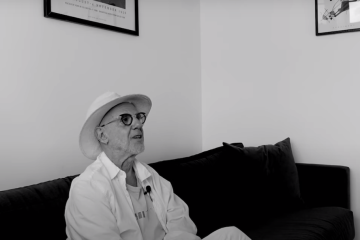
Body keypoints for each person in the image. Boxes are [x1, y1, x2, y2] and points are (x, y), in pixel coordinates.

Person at [65, 91, 251, 240]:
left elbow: (181, 222)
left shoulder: (149, 175)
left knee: (232, 234)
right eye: (125, 119)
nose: (138, 123)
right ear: (102, 135)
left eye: (138, 117)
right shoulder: (87, 188)